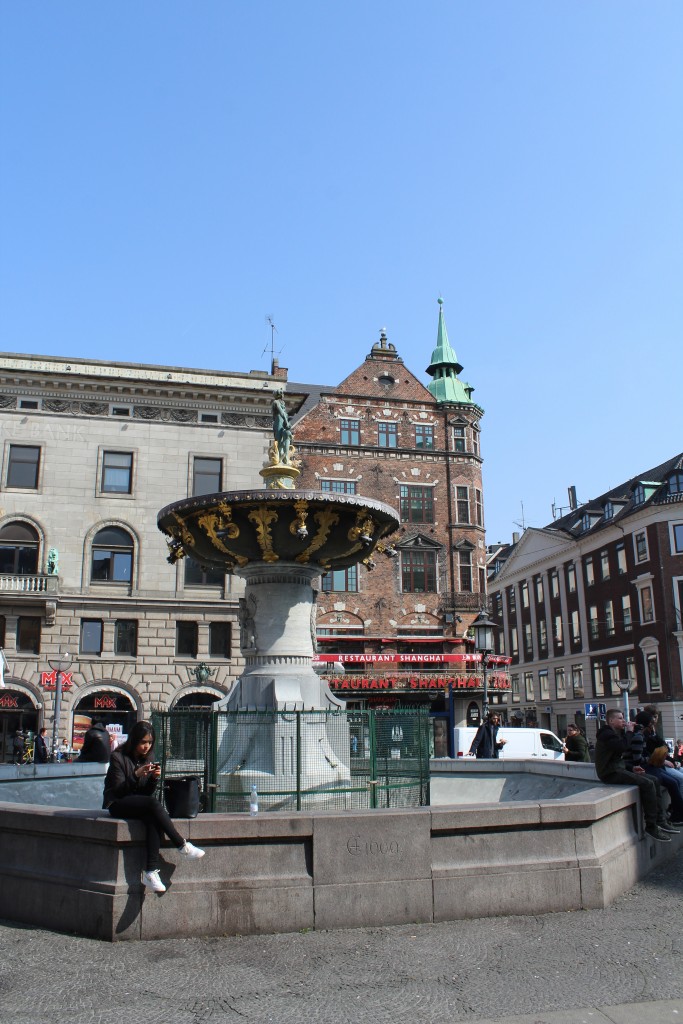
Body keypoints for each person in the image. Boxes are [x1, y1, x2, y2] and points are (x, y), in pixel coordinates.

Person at [103, 720, 205, 893]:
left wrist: (153, 779)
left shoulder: (147, 758)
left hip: (137, 802)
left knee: (152, 818)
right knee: (153, 805)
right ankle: (181, 845)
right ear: (134, 740)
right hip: (117, 803)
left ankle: (150, 872)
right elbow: (118, 791)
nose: (147, 746)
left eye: (150, 742)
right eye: (143, 742)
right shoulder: (118, 757)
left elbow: (146, 794)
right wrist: (135, 775)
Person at [594, 708, 675, 842]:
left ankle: (661, 819)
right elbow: (622, 747)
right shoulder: (607, 734)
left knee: (654, 780)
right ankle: (651, 825)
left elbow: (618, 759)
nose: (624, 720)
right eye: (620, 718)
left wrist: (632, 768)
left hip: (618, 769)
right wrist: (630, 732)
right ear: (611, 721)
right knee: (647, 784)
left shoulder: (616, 734)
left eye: (623, 717)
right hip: (609, 773)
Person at [635, 711, 683, 824]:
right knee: (672, 781)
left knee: (675, 780)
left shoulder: (650, 734)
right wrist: (656, 759)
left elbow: (663, 746)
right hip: (651, 766)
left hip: (656, 764)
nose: (654, 723)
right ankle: (664, 818)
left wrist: (654, 735)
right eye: (652, 721)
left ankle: (677, 811)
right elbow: (640, 757)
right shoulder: (639, 736)